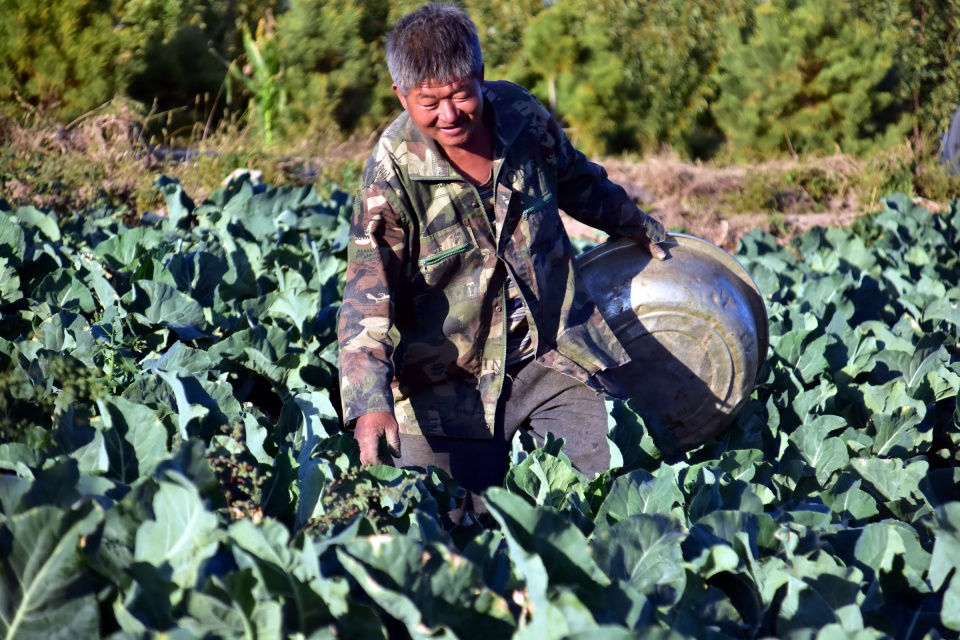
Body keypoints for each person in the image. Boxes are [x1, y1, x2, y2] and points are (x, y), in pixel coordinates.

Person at [336, 2, 666, 523]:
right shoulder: (391, 171)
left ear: (481, 79)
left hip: (555, 353)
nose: (449, 115)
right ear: (401, 95)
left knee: (608, 503)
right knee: (443, 531)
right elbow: (366, 294)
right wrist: (368, 400)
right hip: (448, 382)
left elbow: (578, 181)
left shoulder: (521, 118)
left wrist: (637, 225)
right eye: (429, 102)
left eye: (460, 95)